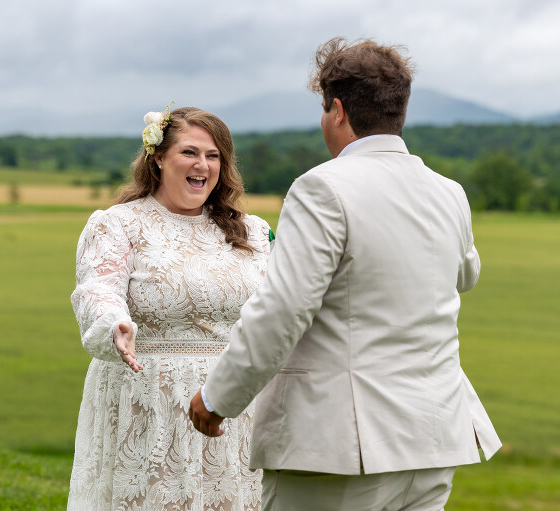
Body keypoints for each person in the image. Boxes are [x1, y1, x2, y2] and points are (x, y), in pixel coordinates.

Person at [188, 37, 501, 510]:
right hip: (435, 435)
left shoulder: (323, 188)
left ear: (337, 111)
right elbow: (466, 273)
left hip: (342, 445)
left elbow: (284, 309)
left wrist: (218, 397)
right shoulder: (449, 192)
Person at [67, 106, 271, 510]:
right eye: (190, 153)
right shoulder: (118, 224)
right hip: (148, 401)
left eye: (213, 156)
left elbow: (279, 308)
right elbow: (97, 288)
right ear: (158, 158)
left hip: (232, 404)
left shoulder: (254, 232)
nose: (202, 165)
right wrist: (115, 325)